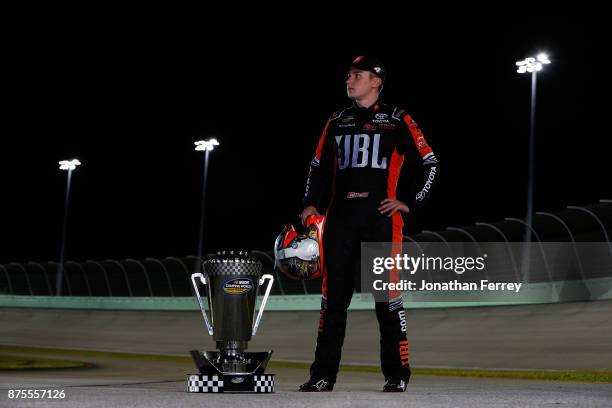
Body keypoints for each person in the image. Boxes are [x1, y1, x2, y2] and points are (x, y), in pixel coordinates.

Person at [298, 56, 440, 392]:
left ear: (376, 81)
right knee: (332, 302)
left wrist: (411, 203)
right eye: (348, 75)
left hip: (381, 222)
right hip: (340, 222)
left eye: (357, 75)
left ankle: (397, 375)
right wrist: (309, 204)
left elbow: (430, 163)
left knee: (387, 300)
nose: (349, 80)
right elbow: (317, 167)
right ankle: (322, 376)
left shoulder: (398, 119)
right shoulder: (336, 120)